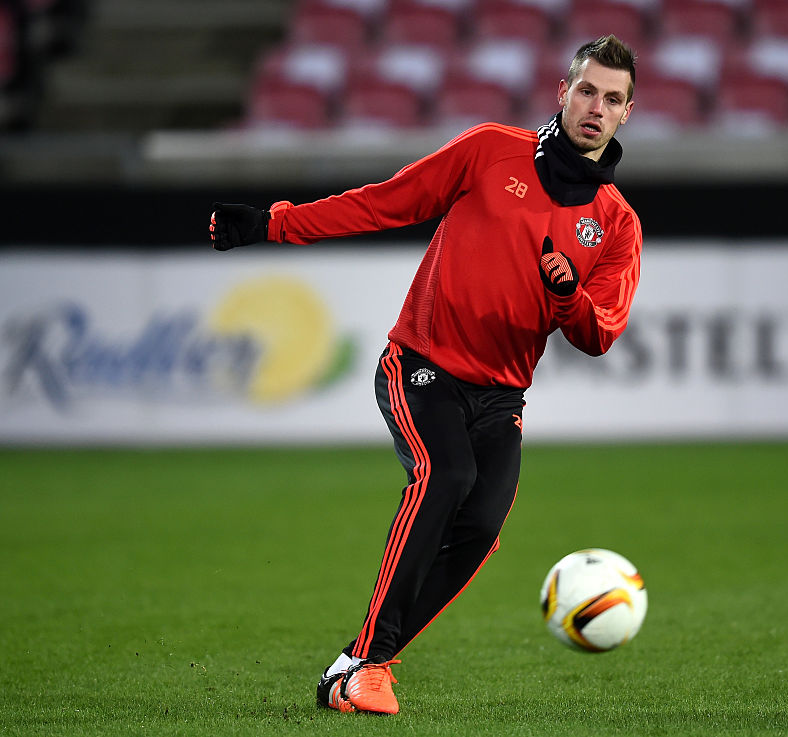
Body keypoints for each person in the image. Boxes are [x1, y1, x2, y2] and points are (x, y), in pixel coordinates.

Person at [209, 34, 643, 716]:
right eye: (587, 90)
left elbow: (600, 333)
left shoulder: (616, 225)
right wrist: (272, 224)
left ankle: (355, 663)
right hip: (421, 364)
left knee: (483, 525)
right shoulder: (488, 149)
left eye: (612, 99)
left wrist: (566, 297)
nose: (596, 106)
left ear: (626, 114)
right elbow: (388, 201)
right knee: (447, 475)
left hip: (502, 395)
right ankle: (373, 665)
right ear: (562, 93)